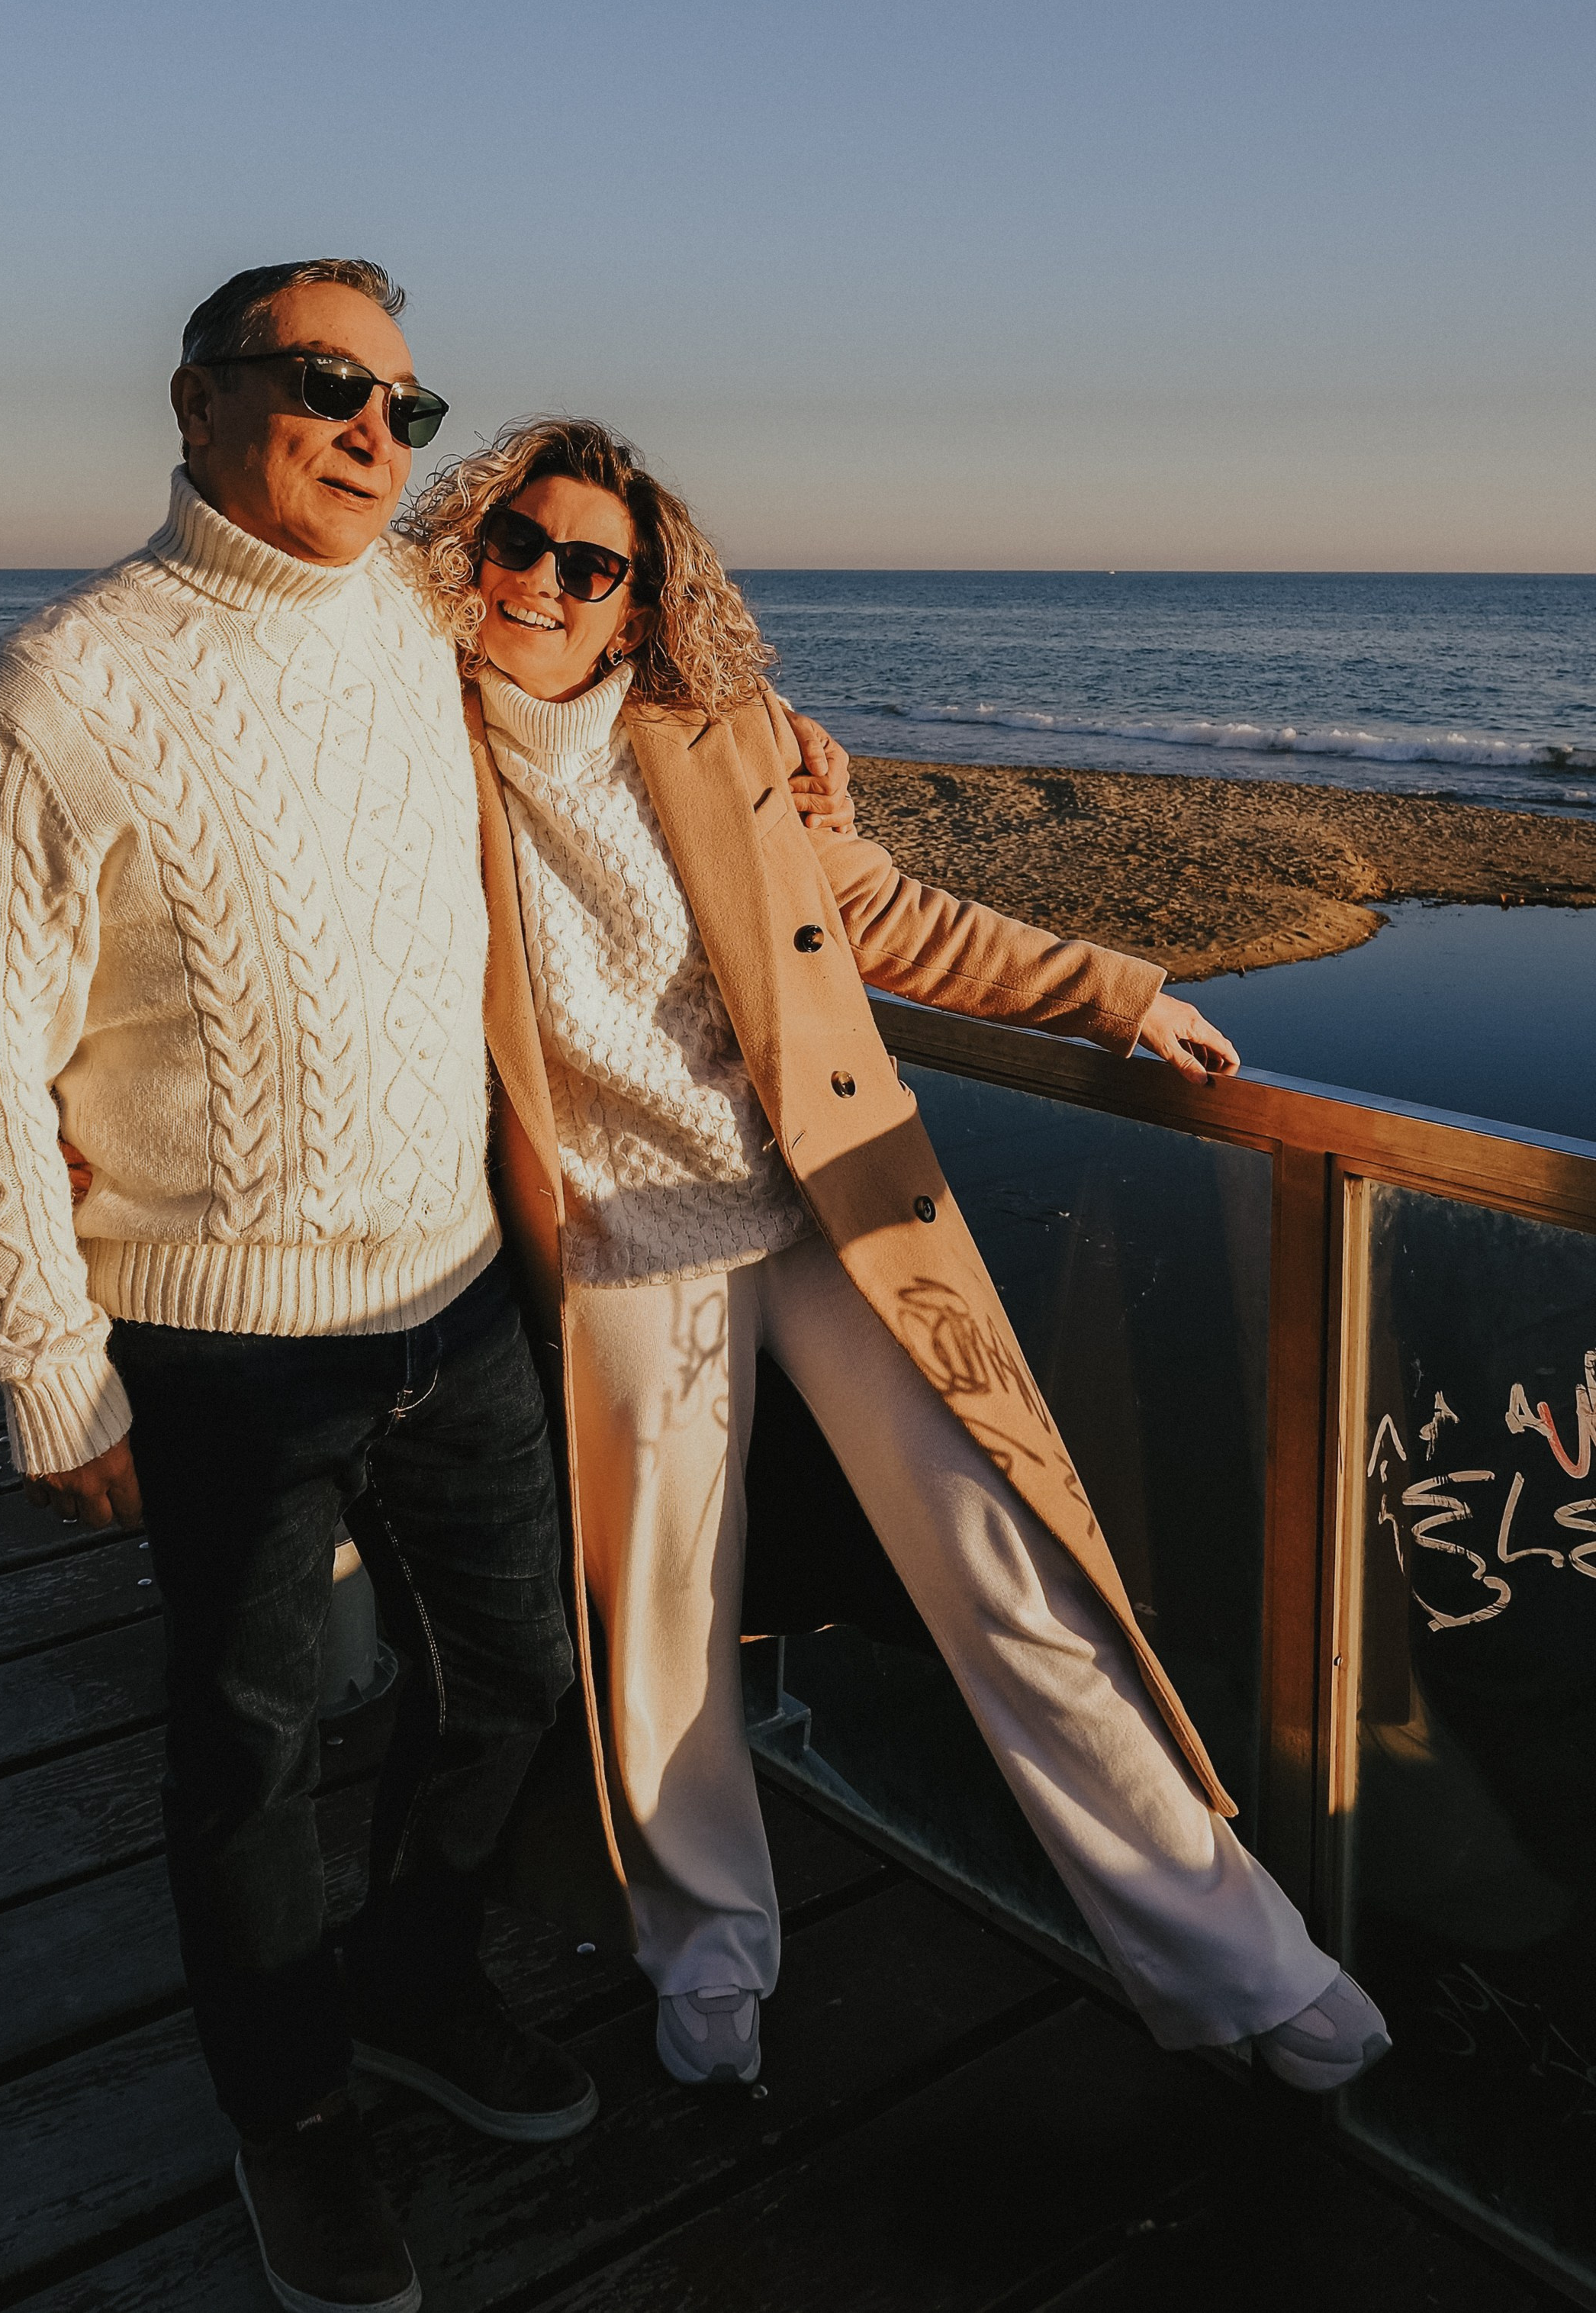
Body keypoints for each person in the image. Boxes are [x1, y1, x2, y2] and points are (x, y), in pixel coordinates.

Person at [0, 266, 848, 2313]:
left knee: (509, 1677)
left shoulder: (423, 627)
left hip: (453, 1299)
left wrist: (784, 755)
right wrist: (45, 1362)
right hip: (215, 1339)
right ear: (196, 400)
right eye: (327, 383)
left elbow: (604, 682)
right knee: (245, 1751)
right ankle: (293, 2107)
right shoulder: (52, 691)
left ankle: (415, 1985)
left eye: (407, 406)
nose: (372, 431)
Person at [401, 415, 1392, 2102]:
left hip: (822, 1209)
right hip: (616, 1247)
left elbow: (879, 913)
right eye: (522, 543)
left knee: (1005, 1559)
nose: (547, 583)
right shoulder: (403, 742)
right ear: (471, 547)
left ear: (639, 600)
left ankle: (1242, 1956)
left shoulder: (721, 737)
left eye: (593, 564)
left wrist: (1117, 990)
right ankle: (708, 1949)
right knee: (662, 1619)